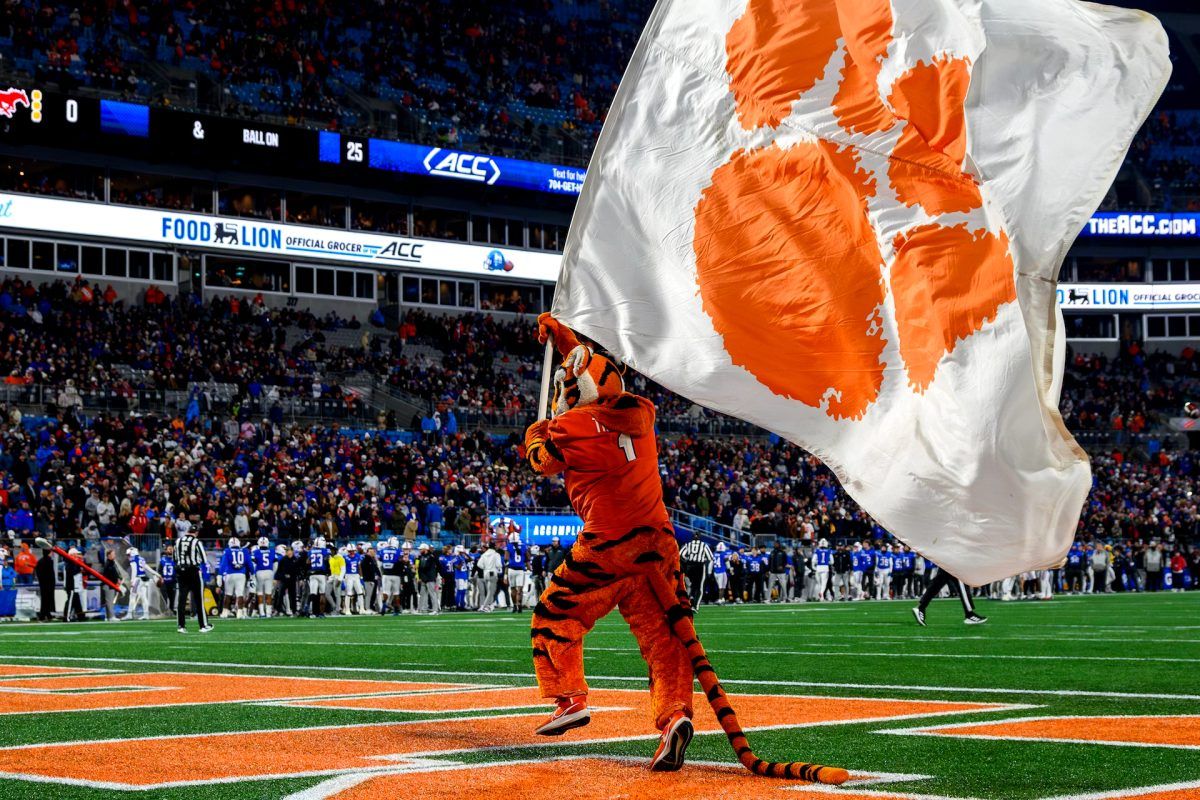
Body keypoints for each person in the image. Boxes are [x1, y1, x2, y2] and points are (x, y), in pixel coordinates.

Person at [522, 317, 846, 781]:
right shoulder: (642, 415)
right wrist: (568, 343)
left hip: (609, 541)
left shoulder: (573, 425)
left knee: (557, 614)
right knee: (665, 637)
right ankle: (675, 715)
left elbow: (543, 463)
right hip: (657, 539)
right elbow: (595, 380)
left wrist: (535, 434)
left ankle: (569, 697)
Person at [912, 562, 987, 625]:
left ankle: (921, 607)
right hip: (951, 558)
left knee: (938, 582)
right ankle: (969, 614)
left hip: (948, 557)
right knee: (961, 581)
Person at [175, 519, 212, 632]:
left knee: (181, 599)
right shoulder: (196, 542)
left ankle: (181, 626)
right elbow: (205, 560)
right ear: (196, 533)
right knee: (198, 599)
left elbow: (175, 558)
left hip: (181, 571)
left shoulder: (178, 541)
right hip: (193, 571)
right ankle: (203, 625)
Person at [680, 532, 714, 607]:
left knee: (689, 585)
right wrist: (709, 571)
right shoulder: (704, 545)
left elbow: (681, 554)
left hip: (689, 566)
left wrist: (687, 560)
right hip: (699, 566)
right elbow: (711, 558)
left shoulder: (688, 545)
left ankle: (688, 599)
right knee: (699, 586)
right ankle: (695, 605)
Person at [218, 537, 248, 618]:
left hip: (230, 574)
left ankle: (225, 612)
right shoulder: (244, 551)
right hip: (241, 574)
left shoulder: (227, 551)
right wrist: (252, 574)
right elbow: (249, 564)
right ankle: (240, 613)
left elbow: (223, 564)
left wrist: (220, 575)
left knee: (228, 594)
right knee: (240, 594)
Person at [125, 546, 154, 620]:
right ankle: (146, 614)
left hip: (137, 580)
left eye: (129, 554)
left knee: (132, 596)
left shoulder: (133, 559)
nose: (128, 556)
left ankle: (129, 614)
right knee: (144, 597)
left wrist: (132, 580)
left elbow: (134, 571)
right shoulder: (141, 559)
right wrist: (157, 575)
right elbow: (148, 568)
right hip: (143, 579)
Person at [250, 536, 276, 618]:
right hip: (269, 572)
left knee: (260, 593)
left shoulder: (256, 552)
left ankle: (262, 613)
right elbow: (275, 563)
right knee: (268, 593)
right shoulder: (272, 551)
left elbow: (253, 564)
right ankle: (268, 613)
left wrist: (252, 575)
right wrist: (274, 574)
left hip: (259, 572)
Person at [307, 536, 331, 618]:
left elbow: (308, 562)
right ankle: (321, 613)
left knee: (313, 594)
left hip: (312, 574)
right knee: (322, 594)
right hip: (321, 574)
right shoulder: (326, 551)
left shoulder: (311, 551)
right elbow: (328, 561)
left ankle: (313, 613)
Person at [506, 533, 530, 612]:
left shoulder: (508, 546)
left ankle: (514, 606)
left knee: (513, 589)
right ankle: (519, 605)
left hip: (511, 569)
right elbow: (527, 558)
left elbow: (506, 560)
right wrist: (529, 567)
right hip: (520, 570)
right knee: (520, 590)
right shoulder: (523, 546)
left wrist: (505, 575)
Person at [417, 542, 440, 614]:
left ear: (425, 549)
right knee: (422, 594)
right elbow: (420, 568)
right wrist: (420, 577)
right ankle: (422, 609)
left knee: (432, 594)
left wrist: (435, 574)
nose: (420, 550)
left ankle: (435, 609)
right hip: (424, 578)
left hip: (430, 578)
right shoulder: (421, 557)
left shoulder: (431, 557)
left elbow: (438, 565)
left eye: (421, 549)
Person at [62, 547, 85, 622]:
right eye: (76, 554)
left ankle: (81, 616)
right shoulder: (69, 563)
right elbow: (72, 573)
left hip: (73, 585)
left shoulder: (70, 562)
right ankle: (66, 617)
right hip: (71, 585)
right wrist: (79, 569)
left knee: (76, 601)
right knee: (70, 601)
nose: (77, 556)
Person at [101, 548, 123, 621]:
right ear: (109, 555)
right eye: (113, 554)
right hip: (109, 585)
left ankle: (108, 616)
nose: (115, 555)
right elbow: (111, 574)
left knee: (108, 602)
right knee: (109, 602)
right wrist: (116, 580)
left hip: (110, 585)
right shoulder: (108, 564)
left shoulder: (111, 563)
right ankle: (111, 617)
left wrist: (118, 579)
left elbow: (115, 573)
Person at [35, 545, 55, 621]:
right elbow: (51, 574)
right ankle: (44, 615)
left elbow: (38, 573)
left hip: (43, 584)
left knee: (44, 599)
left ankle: (45, 614)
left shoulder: (40, 561)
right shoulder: (49, 561)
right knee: (48, 599)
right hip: (49, 583)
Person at [159, 544, 177, 614]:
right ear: (166, 550)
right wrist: (161, 578)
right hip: (164, 582)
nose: (170, 550)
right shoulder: (162, 560)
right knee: (164, 598)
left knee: (172, 598)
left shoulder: (176, 559)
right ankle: (164, 611)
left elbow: (178, 570)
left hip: (172, 582)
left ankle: (171, 610)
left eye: (171, 549)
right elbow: (159, 570)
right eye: (169, 549)